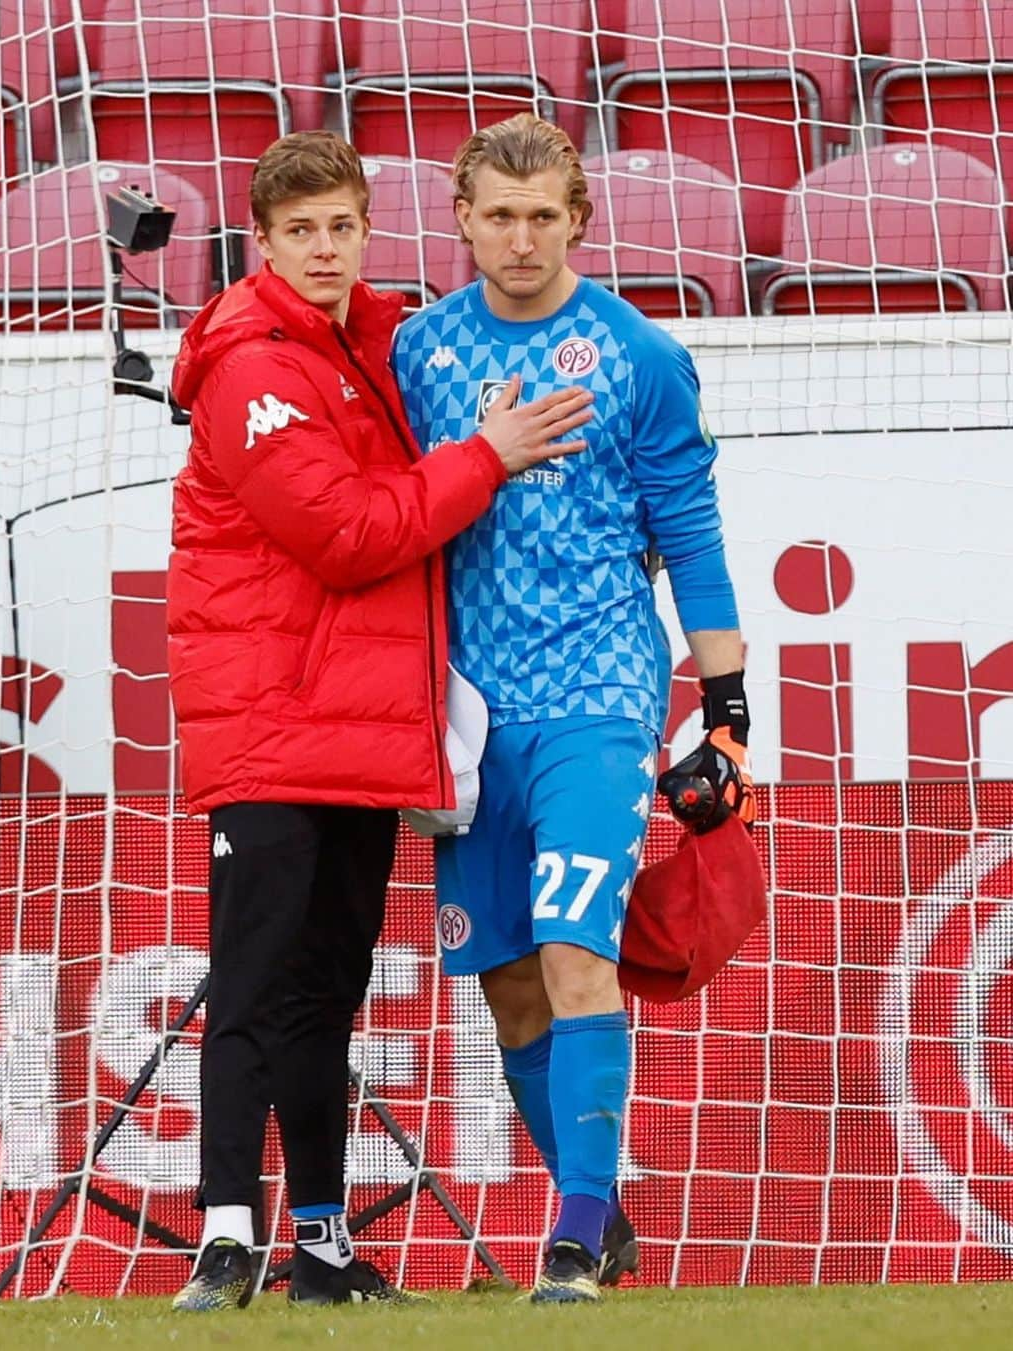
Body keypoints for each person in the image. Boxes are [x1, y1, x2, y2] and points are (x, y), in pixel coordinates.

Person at [165, 129, 594, 1312]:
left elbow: (474, 324)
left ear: (366, 229)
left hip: (358, 727)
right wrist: (487, 453)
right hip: (268, 724)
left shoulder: (373, 337)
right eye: (298, 232)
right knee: (253, 986)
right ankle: (221, 1239)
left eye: (341, 228)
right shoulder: (254, 368)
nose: (323, 250)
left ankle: (323, 1247)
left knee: (325, 996)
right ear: (260, 245)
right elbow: (350, 534)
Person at [392, 113, 755, 1305]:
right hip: (466, 718)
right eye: (498, 214)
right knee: (504, 978)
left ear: (580, 219)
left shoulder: (639, 355)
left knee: (572, 951)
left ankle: (569, 1242)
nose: (520, 237)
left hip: (601, 696)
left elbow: (690, 533)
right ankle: (600, 1218)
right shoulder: (419, 354)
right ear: (461, 219)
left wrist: (728, 707)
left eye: (543, 213)